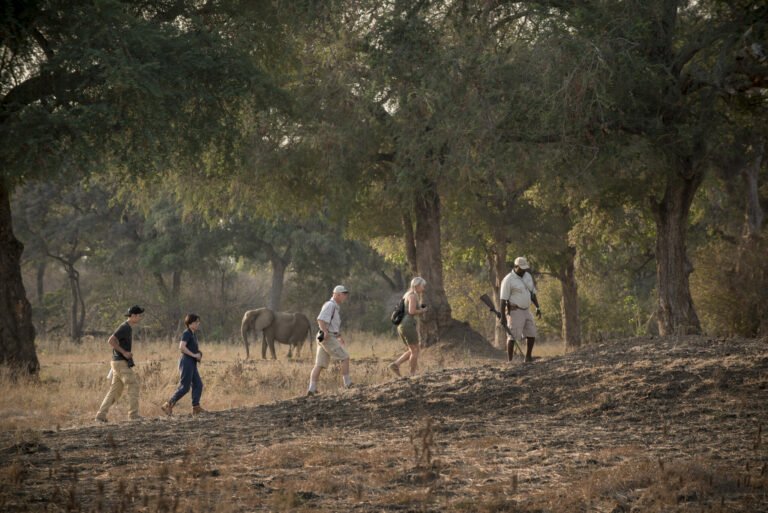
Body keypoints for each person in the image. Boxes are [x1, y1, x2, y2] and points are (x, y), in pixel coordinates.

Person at [95, 305, 145, 422]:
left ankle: (101, 415)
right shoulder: (125, 327)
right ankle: (133, 415)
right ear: (133, 316)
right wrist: (124, 352)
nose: (140, 318)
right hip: (120, 362)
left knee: (115, 390)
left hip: (117, 363)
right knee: (133, 385)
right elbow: (111, 340)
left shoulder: (128, 327)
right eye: (138, 316)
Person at [307, 285, 352, 396]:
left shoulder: (334, 306)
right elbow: (320, 319)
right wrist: (325, 331)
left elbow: (332, 324)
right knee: (345, 357)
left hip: (324, 336)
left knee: (319, 364)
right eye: (343, 294)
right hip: (327, 336)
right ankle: (348, 384)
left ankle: (311, 390)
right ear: (336, 294)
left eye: (345, 294)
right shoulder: (330, 305)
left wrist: (339, 336)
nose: (345, 296)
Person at [161, 314, 206, 416]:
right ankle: (168, 405)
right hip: (186, 362)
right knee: (185, 387)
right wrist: (194, 355)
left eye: (198, 322)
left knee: (198, 384)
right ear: (189, 324)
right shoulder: (187, 333)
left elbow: (192, 348)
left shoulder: (193, 334)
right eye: (195, 322)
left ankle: (196, 407)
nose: (197, 324)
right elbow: (181, 347)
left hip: (192, 363)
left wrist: (198, 354)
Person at [500, 257, 542, 363]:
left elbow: (532, 293)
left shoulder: (527, 276)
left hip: (526, 310)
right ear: (515, 267)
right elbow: (503, 299)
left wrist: (538, 307)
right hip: (515, 310)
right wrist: (503, 317)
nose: (523, 270)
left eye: (525, 268)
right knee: (513, 336)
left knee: (531, 333)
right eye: (521, 268)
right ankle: (510, 361)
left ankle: (528, 357)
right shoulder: (508, 280)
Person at [388, 277, 428, 377]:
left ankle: (395, 364)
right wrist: (423, 311)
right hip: (408, 324)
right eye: (423, 286)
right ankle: (412, 374)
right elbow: (411, 312)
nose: (423, 288)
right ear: (417, 285)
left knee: (412, 349)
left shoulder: (407, 294)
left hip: (402, 325)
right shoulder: (413, 296)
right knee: (415, 351)